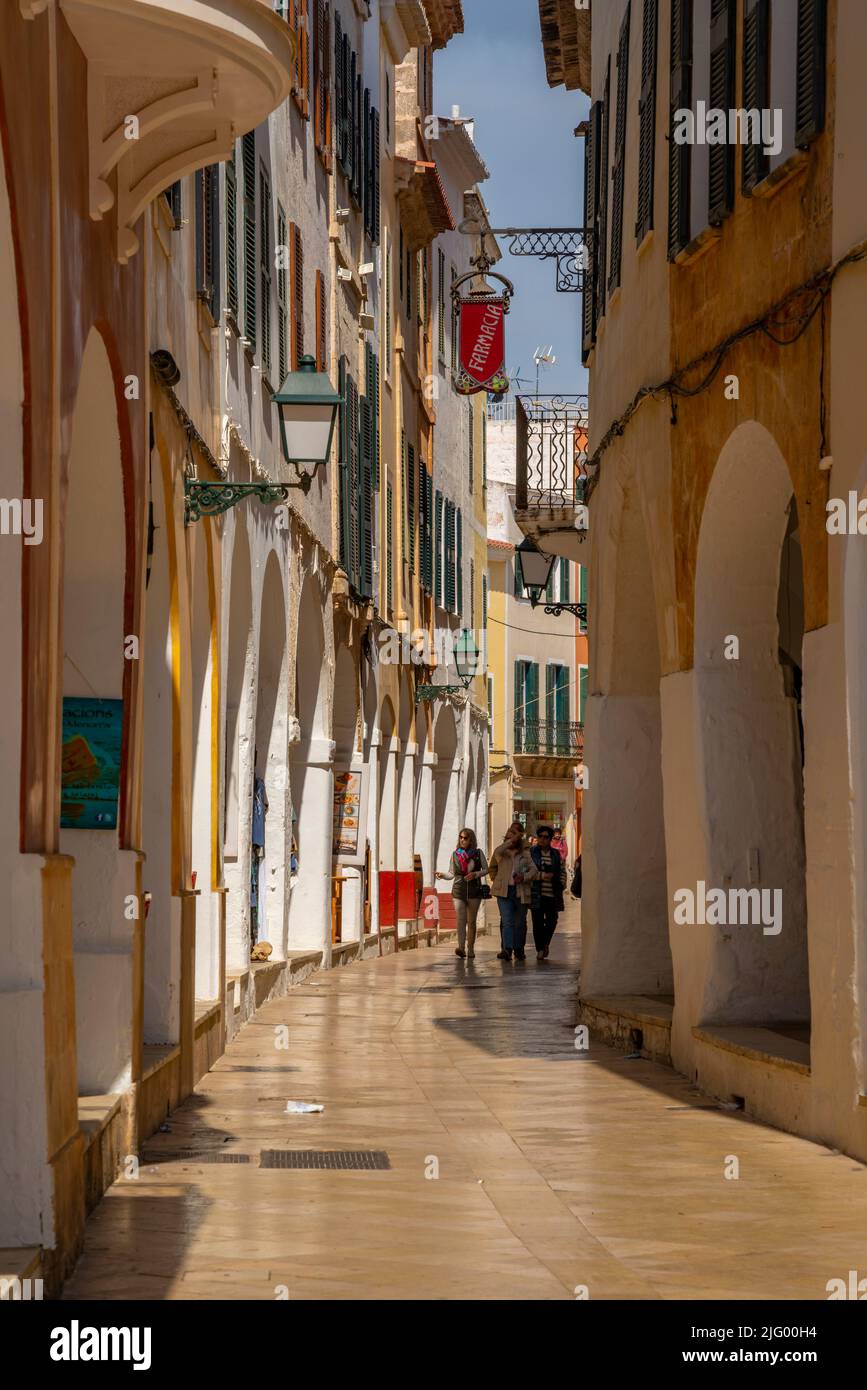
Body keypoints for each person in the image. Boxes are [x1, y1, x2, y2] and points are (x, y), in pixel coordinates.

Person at [436, 828, 488, 960]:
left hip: (474, 890)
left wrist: (476, 874)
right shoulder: (455, 854)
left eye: (465, 838)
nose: (462, 840)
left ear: (471, 839)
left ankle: (470, 948)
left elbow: (486, 869)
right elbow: (451, 873)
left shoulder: (477, 853)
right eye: (460, 837)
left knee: (471, 921)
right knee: (460, 920)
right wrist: (442, 875)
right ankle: (461, 947)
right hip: (459, 890)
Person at [488, 825, 537, 962]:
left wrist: (524, 877)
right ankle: (507, 949)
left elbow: (534, 871)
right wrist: (496, 880)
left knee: (520, 922)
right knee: (507, 921)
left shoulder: (524, 854)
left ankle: (518, 949)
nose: (511, 840)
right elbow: (496, 853)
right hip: (504, 892)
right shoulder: (501, 853)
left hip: (520, 891)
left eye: (514, 837)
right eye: (508, 837)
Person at [529, 825, 566, 961]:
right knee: (537, 923)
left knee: (552, 921)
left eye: (546, 837)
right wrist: (541, 876)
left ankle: (545, 943)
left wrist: (562, 883)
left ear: (550, 839)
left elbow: (562, 871)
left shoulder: (555, 854)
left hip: (552, 894)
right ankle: (540, 949)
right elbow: (527, 871)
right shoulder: (531, 853)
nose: (543, 839)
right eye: (540, 836)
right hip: (536, 894)